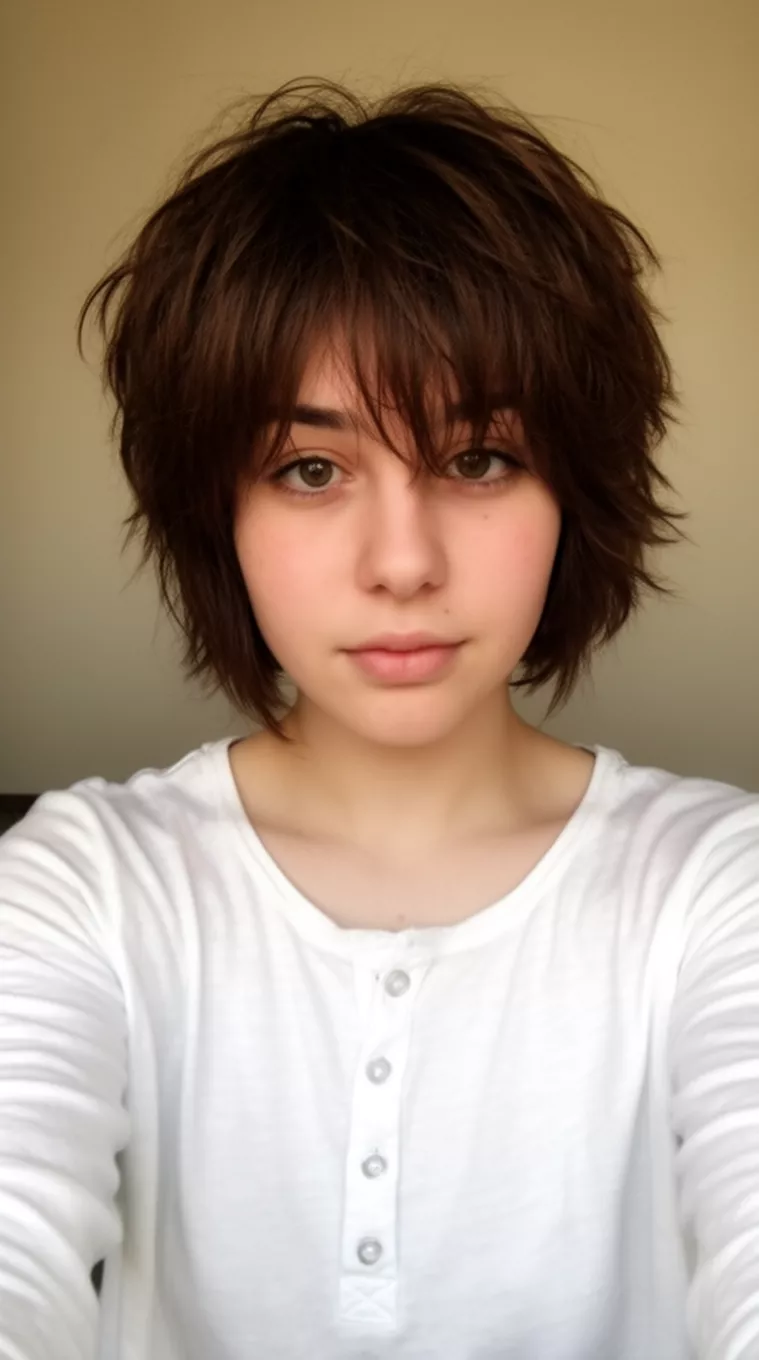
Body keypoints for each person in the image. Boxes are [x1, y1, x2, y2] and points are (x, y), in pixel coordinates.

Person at [0, 74, 757, 1360]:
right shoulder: (83, 884)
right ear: (216, 512)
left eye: (477, 459)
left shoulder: (715, 887)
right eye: (311, 469)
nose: (401, 560)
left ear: (576, 487)